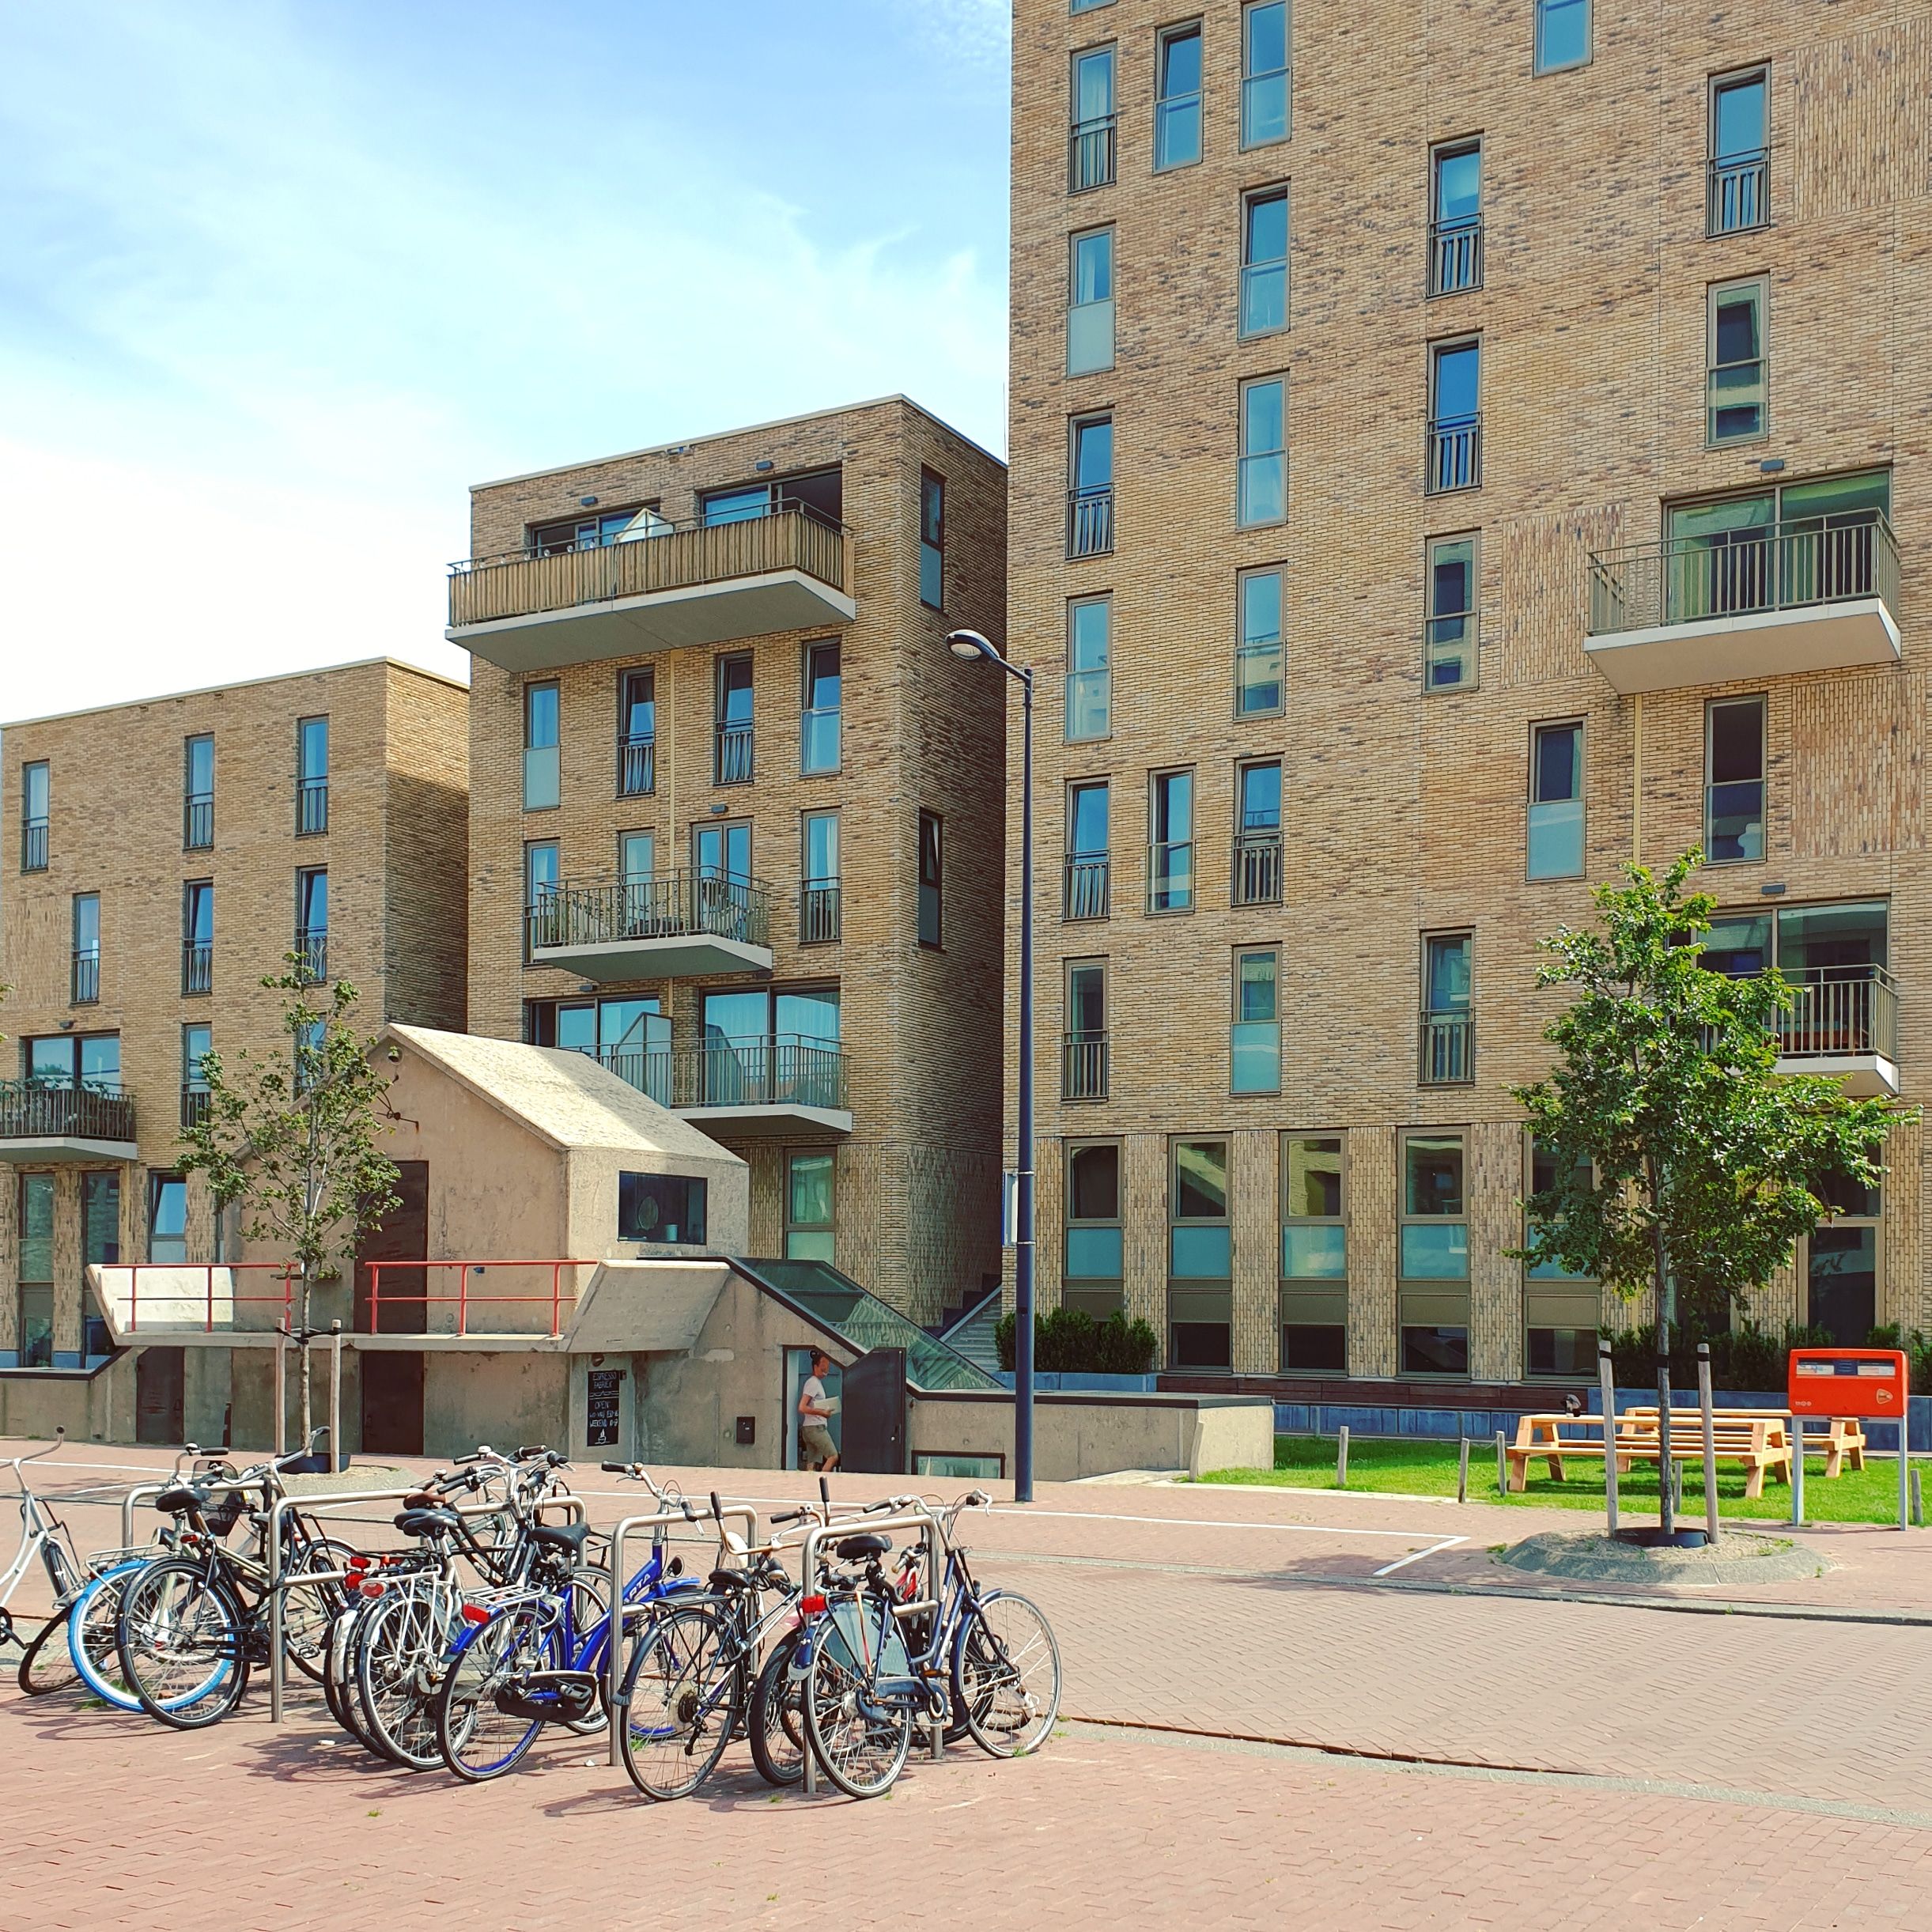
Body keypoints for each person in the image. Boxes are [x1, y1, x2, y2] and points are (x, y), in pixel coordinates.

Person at [799, 1350, 839, 1472]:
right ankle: (822, 1484)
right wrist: (822, 1413)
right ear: (815, 1367)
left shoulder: (814, 1383)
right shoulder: (813, 1383)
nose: (826, 1368)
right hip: (816, 1427)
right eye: (822, 1365)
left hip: (809, 1428)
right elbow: (802, 1407)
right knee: (833, 1456)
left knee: (812, 1462)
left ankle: (810, 1486)